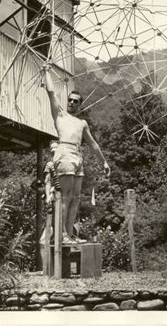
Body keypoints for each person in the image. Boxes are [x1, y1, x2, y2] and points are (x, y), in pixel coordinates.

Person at [43, 65, 110, 244]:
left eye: (75, 101)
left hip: (77, 156)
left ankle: (70, 233)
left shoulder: (82, 123)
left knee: (76, 197)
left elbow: (93, 144)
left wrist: (103, 162)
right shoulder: (60, 115)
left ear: (80, 104)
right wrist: (46, 72)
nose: (71, 103)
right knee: (65, 195)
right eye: (70, 100)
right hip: (64, 152)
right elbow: (51, 92)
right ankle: (62, 235)